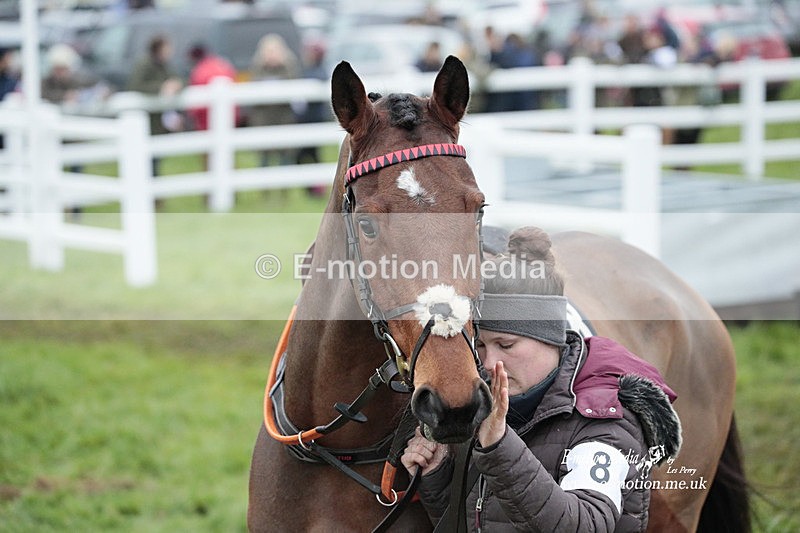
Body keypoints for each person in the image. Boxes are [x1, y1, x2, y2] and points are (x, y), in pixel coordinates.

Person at [402, 226, 682, 531]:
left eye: (506, 345)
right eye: (480, 346)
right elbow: (484, 521)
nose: (490, 362)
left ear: (550, 339)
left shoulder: (606, 421)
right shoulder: (491, 403)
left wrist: (498, 446)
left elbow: (585, 525)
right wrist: (437, 477)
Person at [127, 35, 183, 180]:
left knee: (156, 156)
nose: (170, 51)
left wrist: (176, 85)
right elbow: (135, 85)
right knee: (145, 158)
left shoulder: (165, 64)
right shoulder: (144, 64)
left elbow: (178, 79)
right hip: (146, 119)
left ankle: (155, 194)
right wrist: (161, 87)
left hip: (159, 119)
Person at [248, 34, 299, 170]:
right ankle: (264, 189)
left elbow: (294, 88)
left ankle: (284, 188)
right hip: (264, 119)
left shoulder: (289, 66)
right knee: (264, 157)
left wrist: (283, 65)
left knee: (285, 155)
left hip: (283, 117)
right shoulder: (257, 67)